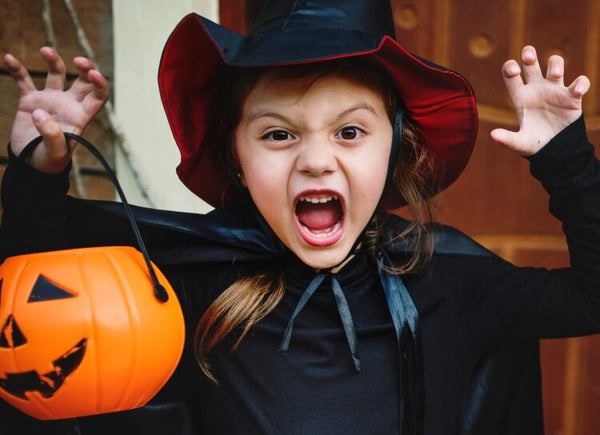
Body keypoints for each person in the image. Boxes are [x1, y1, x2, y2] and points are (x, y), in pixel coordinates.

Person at [0, 0, 598, 434]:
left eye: (350, 131)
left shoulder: (452, 280)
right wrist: (39, 169)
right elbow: (35, 286)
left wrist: (567, 159)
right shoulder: (196, 283)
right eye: (279, 134)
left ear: (398, 147)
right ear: (236, 157)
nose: (315, 161)